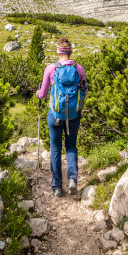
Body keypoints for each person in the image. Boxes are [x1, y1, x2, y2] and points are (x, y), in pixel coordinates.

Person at [37, 37, 88, 197]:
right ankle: (72, 179)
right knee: (71, 146)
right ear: (70, 51)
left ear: (58, 52)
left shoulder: (51, 69)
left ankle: (57, 187)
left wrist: (39, 93)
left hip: (55, 114)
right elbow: (84, 91)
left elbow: (43, 93)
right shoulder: (79, 69)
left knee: (55, 148)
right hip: (73, 114)